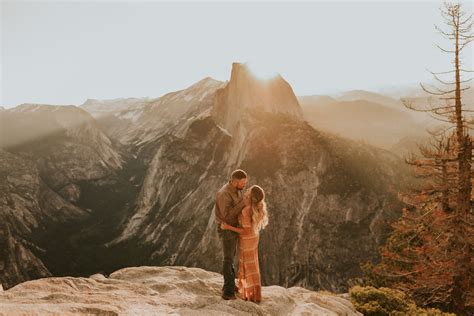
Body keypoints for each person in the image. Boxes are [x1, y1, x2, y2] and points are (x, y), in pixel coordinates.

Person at [220, 185, 268, 303]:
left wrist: (228, 227)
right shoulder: (258, 206)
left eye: (249, 191)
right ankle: (253, 291)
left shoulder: (247, 210)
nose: (246, 191)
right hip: (253, 237)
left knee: (247, 264)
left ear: (252, 196)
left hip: (247, 238)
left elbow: (245, 230)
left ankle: (250, 293)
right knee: (252, 264)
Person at [214, 169, 248, 300]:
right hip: (227, 229)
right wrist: (243, 204)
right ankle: (228, 292)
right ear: (236, 181)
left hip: (232, 229)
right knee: (228, 259)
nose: (245, 185)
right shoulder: (225, 194)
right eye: (243, 182)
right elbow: (226, 217)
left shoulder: (236, 191)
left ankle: (229, 285)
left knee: (231, 257)